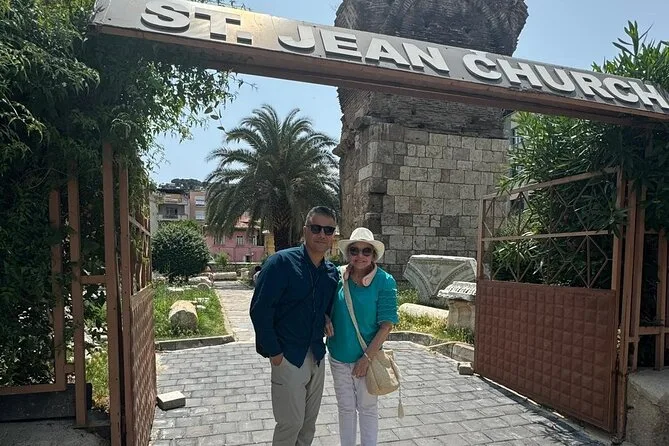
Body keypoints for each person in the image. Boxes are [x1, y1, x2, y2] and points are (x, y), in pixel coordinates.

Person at [249, 206, 340, 446]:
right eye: (316, 228)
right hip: (288, 355)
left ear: (333, 235)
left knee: (308, 425)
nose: (322, 234)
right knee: (290, 424)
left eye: (328, 230)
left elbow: (327, 309)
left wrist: (326, 318)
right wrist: (275, 353)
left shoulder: (331, 273)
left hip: (316, 355)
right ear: (305, 230)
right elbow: (260, 310)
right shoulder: (281, 263)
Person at [326, 227, 399, 446]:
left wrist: (366, 359)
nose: (360, 256)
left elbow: (386, 325)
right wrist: (324, 317)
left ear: (373, 255)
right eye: (354, 250)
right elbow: (323, 304)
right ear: (348, 253)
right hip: (338, 355)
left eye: (366, 251)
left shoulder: (385, 281)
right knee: (346, 409)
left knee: (367, 408)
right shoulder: (337, 276)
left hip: (367, 358)